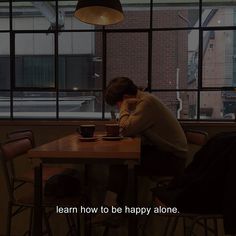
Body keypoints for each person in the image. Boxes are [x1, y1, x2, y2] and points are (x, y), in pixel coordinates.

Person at [103, 77, 188, 209]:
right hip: (165, 153)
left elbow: (126, 129)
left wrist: (124, 108)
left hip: (173, 160)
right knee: (121, 162)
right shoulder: (144, 100)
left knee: (123, 163)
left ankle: (113, 209)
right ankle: (115, 209)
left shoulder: (146, 103)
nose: (118, 108)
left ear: (125, 97)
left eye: (118, 104)